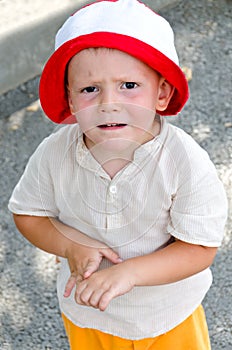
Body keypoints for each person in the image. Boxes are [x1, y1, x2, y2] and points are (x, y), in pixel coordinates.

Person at [8, 0, 227, 349]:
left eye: (128, 85)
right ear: (71, 98)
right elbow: (28, 214)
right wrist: (70, 244)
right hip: (88, 314)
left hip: (167, 317)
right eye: (90, 89)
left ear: (162, 92)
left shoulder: (185, 161)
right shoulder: (55, 152)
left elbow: (199, 248)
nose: (109, 102)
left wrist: (131, 272)